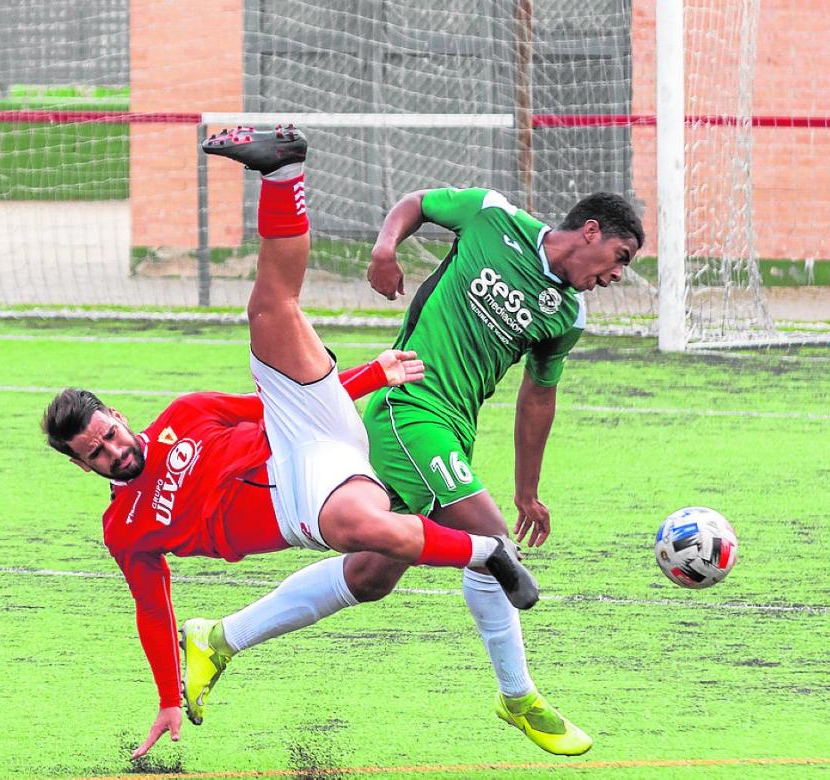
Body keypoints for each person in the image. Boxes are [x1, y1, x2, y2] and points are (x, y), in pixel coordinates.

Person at [43, 126, 538, 759]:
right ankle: (486, 553)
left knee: (271, 309)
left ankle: (282, 172)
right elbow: (152, 608)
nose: (114, 451)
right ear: (82, 465)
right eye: (97, 453)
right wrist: (168, 696)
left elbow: (271, 404)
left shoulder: (185, 415)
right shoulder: (125, 529)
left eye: (109, 435)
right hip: (297, 498)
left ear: (116, 416)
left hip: (300, 429)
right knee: (365, 530)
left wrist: (370, 375)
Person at [183, 186, 644, 757]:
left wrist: (529, 491)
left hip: (454, 431)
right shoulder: (492, 216)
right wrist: (385, 248)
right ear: (591, 231)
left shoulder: (567, 315)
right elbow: (418, 204)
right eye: (620, 258)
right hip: (410, 408)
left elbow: (537, 398)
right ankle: (518, 696)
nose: (616, 275)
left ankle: (219, 638)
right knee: (491, 542)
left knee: (370, 577)